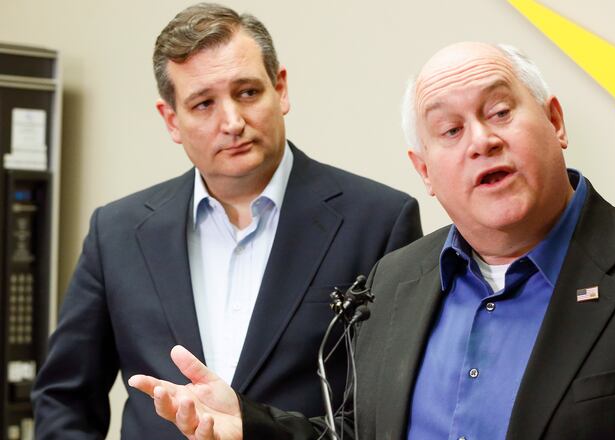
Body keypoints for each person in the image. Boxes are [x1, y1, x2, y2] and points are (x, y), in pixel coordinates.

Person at [129, 41, 615, 439]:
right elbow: (358, 434)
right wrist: (250, 424)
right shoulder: (392, 282)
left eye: (500, 112)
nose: (482, 141)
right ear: (425, 172)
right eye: (449, 130)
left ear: (555, 122)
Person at [31, 4, 422, 439]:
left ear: (281, 89)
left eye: (248, 92)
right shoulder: (117, 232)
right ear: (171, 120)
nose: (233, 122)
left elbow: (388, 414)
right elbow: (64, 399)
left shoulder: (379, 222)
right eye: (203, 104)